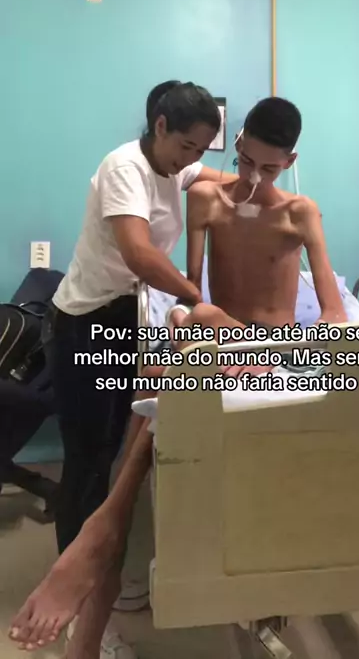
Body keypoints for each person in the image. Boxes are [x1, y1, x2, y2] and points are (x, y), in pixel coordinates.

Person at [10, 96, 347, 655]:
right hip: (188, 337)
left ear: (290, 162)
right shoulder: (199, 198)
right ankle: (101, 554)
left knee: (158, 395)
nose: (253, 178)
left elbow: (333, 312)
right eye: (245, 162)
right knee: (160, 379)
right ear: (234, 146)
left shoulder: (299, 211)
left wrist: (294, 348)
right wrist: (197, 321)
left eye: (269, 168)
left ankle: (100, 538)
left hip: (276, 349)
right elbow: (182, 288)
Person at [40, 79, 235, 659]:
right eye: (187, 146)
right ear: (160, 127)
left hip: (123, 316)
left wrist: (256, 179)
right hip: (83, 324)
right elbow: (139, 254)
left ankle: (105, 579)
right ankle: (79, 608)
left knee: (115, 454)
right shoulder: (124, 167)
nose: (191, 159)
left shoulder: (176, 165)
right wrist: (195, 297)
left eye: (201, 149)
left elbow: (218, 179)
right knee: (87, 464)